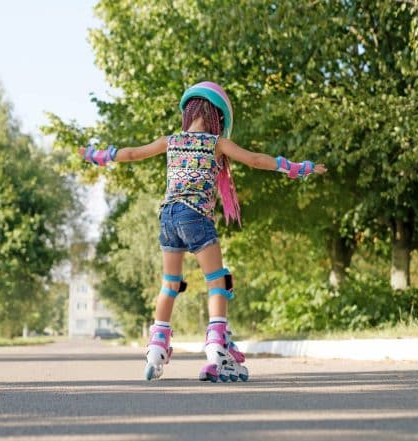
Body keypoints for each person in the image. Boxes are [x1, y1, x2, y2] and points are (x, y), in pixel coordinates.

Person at [79, 81, 327, 382]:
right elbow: (256, 160)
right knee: (218, 281)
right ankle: (216, 345)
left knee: (170, 284)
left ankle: (157, 348)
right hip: (195, 216)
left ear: (189, 113)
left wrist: (98, 155)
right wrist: (298, 168)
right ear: (217, 118)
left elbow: (131, 154)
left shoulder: (171, 140)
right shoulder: (216, 143)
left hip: (167, 216)